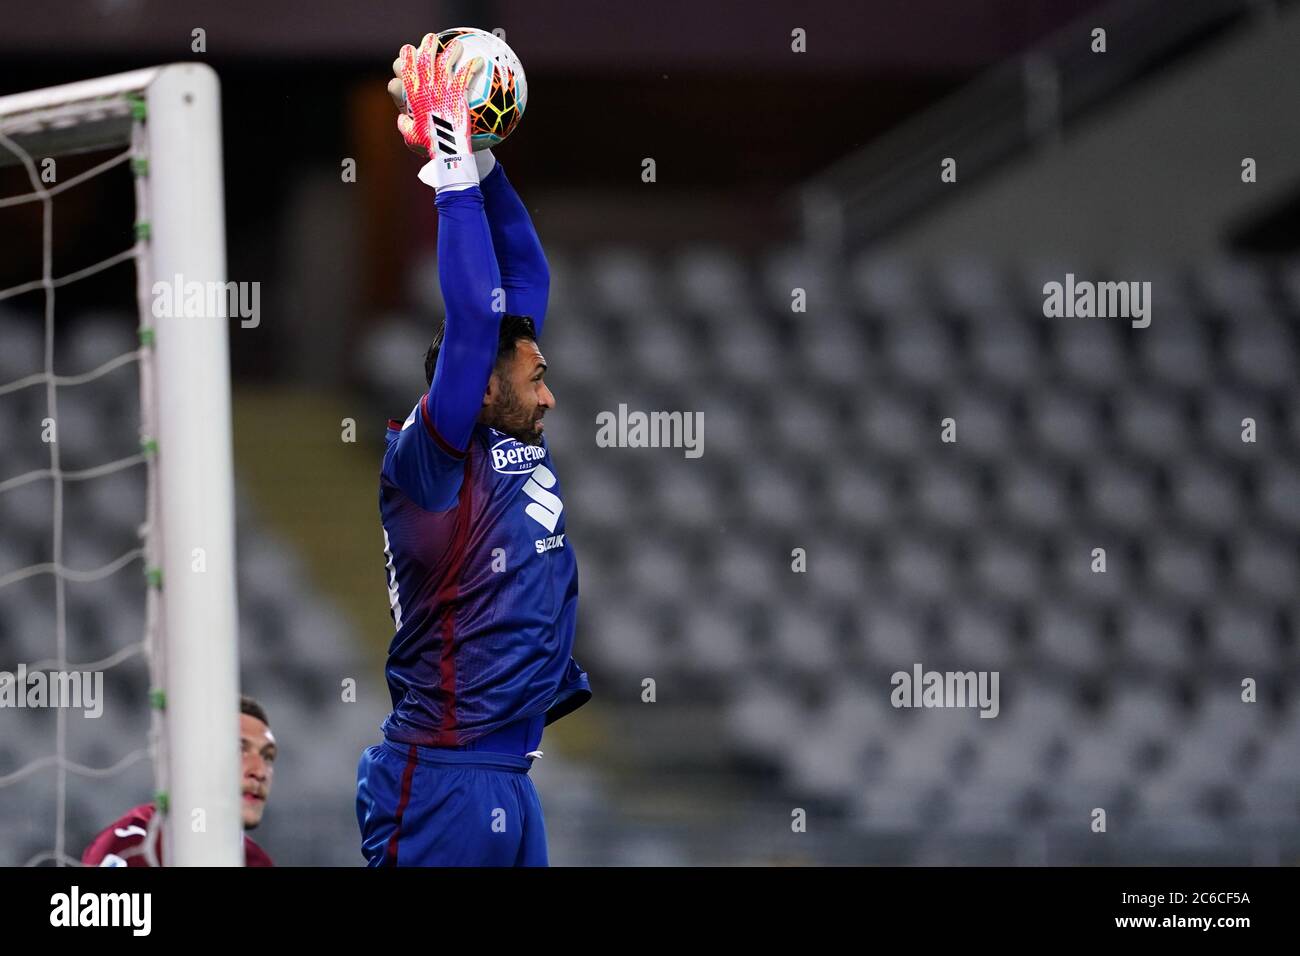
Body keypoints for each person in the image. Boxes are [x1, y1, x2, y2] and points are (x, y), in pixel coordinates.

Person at [356, 34, 591, 867]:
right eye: (537, 379)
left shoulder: (505, 430)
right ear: (483, 385)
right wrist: (450, 165)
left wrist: (484, 165)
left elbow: (526, 283)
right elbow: (470, 320)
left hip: (506, 776)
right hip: (440, 776)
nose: (550, 394)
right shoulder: (431, 461)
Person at [82, 695, 276, 867]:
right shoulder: (133, 843)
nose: (260, 772)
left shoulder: (258, 861)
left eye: (268, 756)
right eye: (239, 749)